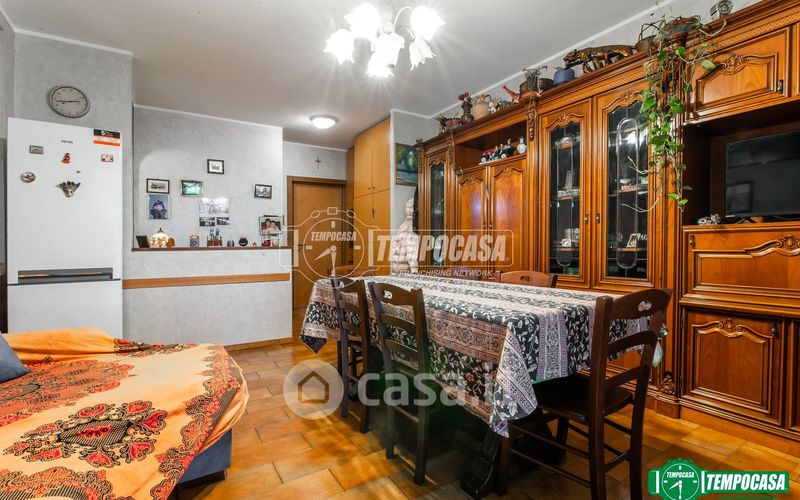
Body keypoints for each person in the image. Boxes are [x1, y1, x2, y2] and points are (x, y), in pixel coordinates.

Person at [390, 197, 419, 275]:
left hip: (398, 268)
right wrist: (414, 270)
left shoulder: (403, 225)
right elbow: (411, 250)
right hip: (407, 271)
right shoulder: (412, 227)